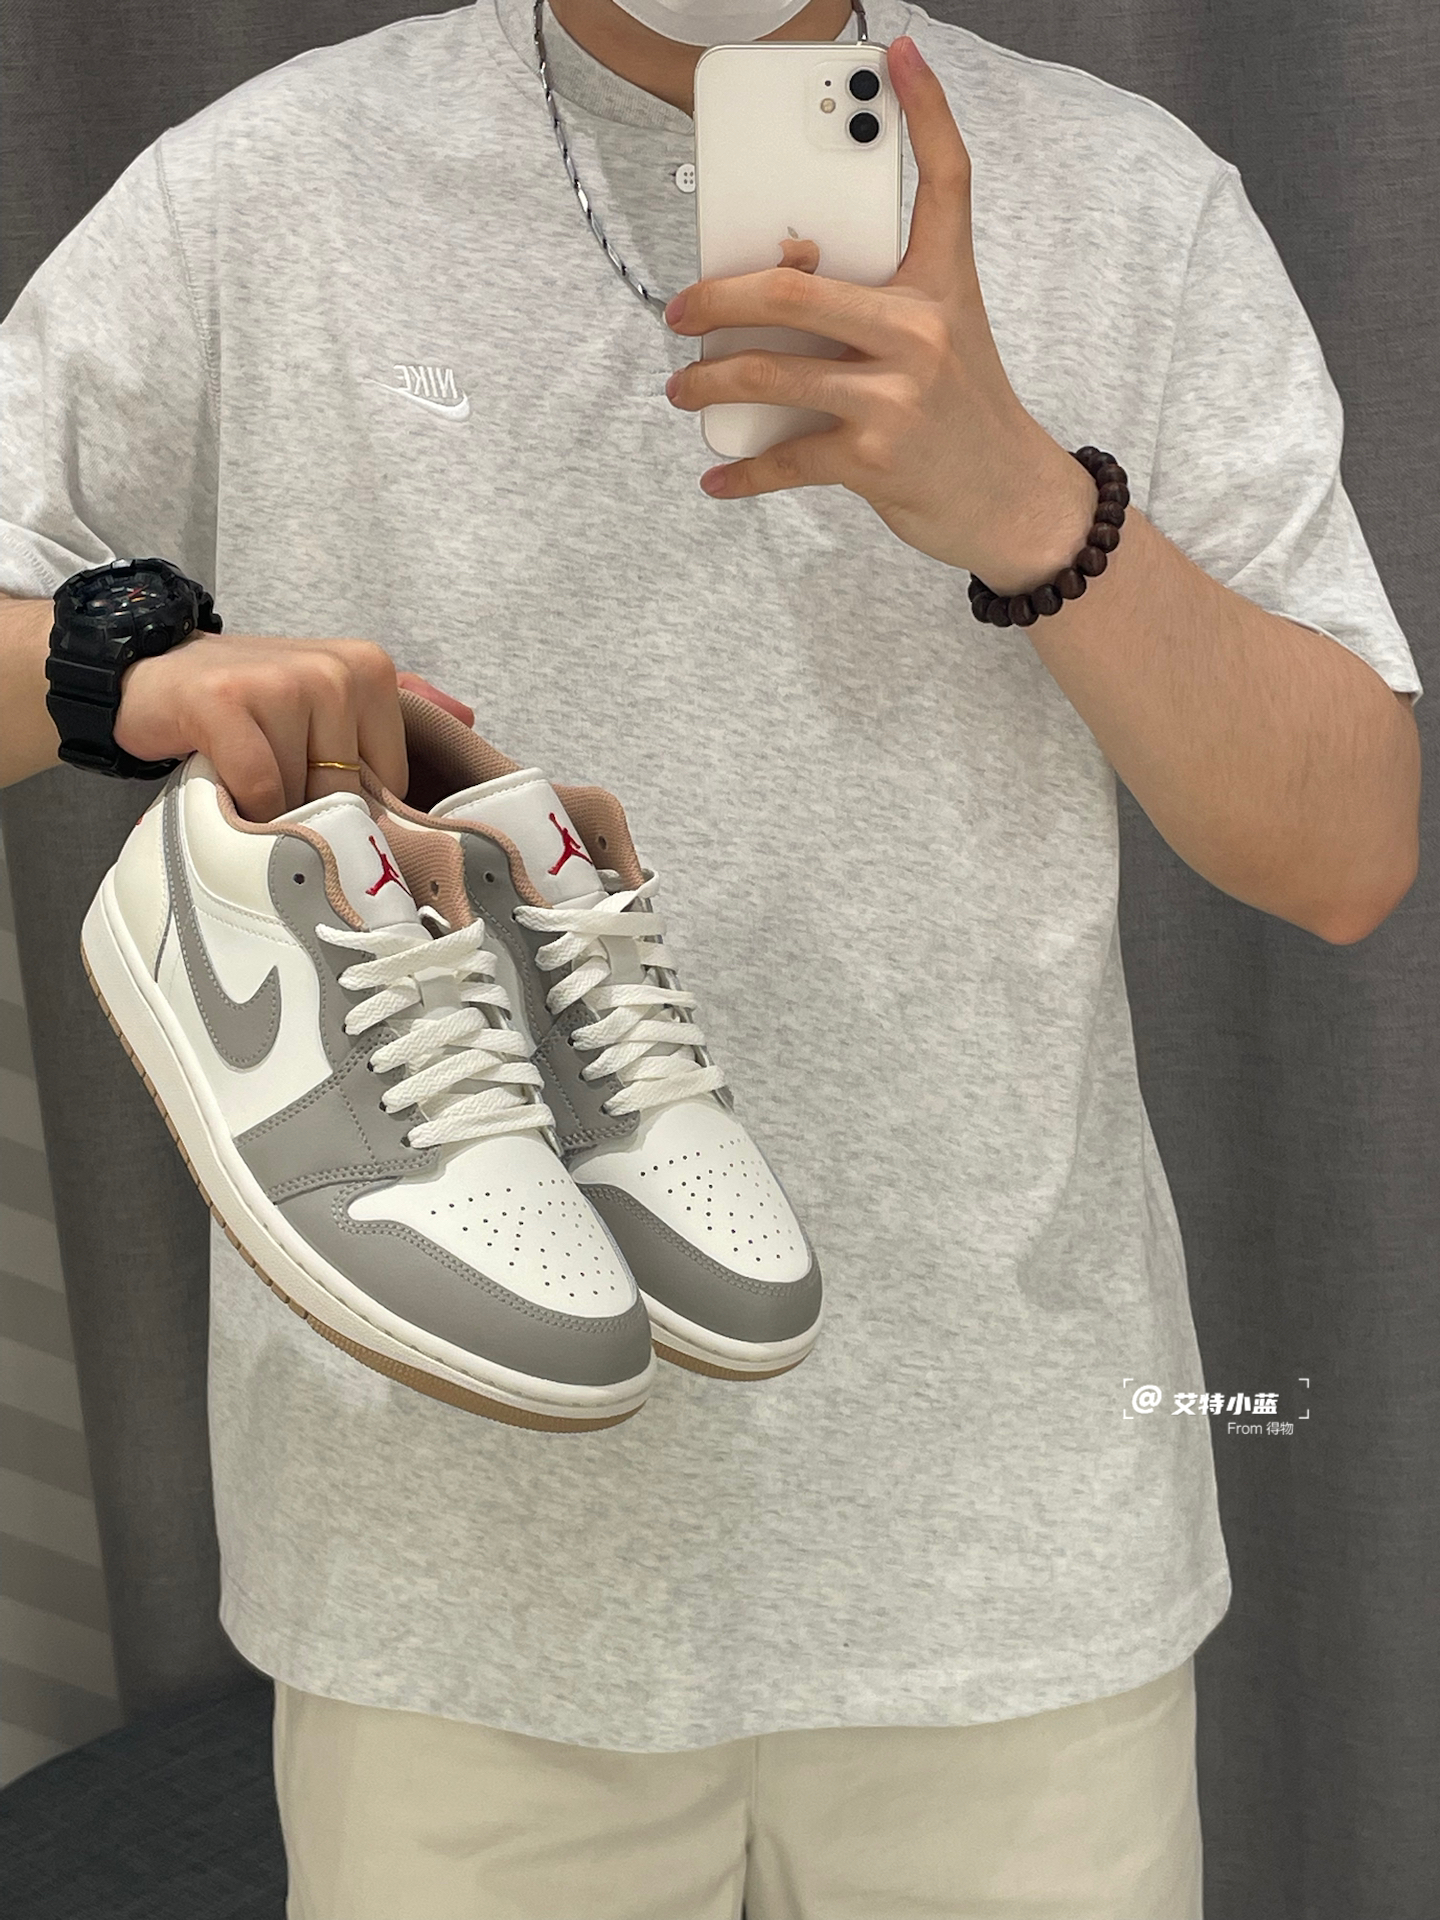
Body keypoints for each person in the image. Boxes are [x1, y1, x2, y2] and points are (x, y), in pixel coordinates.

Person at [0, 0, 1421, 1913]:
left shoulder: (1134, 201)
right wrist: (124, 672)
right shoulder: (263, 189)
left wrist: (1025, 502)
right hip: (446, 1550)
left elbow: (1344, 852)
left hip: (1005, 1557)